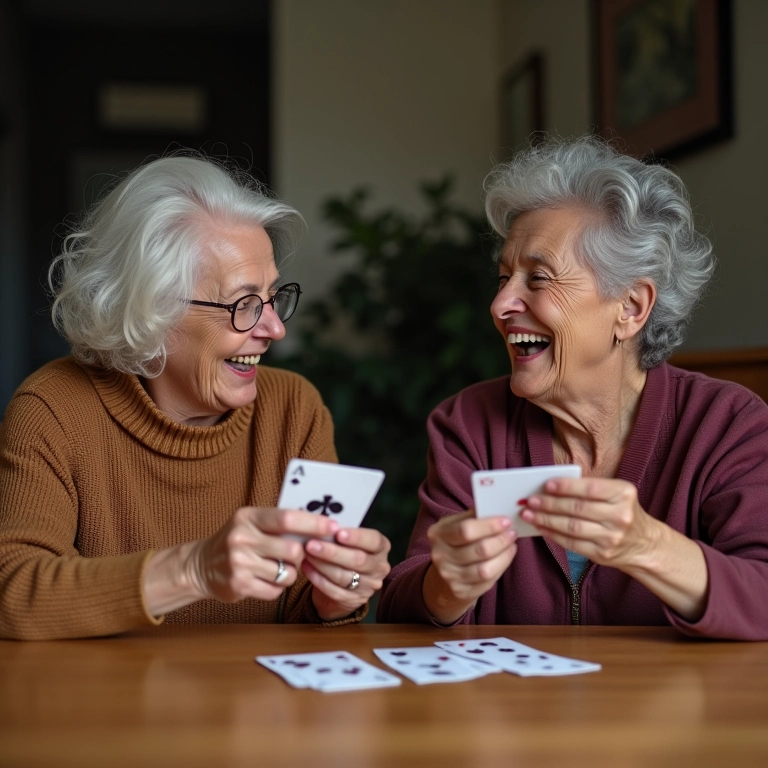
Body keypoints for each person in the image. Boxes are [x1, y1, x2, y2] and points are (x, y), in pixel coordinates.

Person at [378, 135, 768, 640]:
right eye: (503, 279)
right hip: (516, 714)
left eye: (537, 280)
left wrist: (647, 545)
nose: (500, 306)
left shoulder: (726, 425)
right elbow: (399, 605)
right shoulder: (469, 425)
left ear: (629, 308)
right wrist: (446, 585)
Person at [0, 155, 391, 640]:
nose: (275, 328)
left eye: (273, 297)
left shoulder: (295, 409)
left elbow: (310, 620)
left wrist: (340, 592)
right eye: (245, 304)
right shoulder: (55, 409)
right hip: (105, 707)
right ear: (151, 310)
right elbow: (11, 593)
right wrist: (194, 570)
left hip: (259, 708)